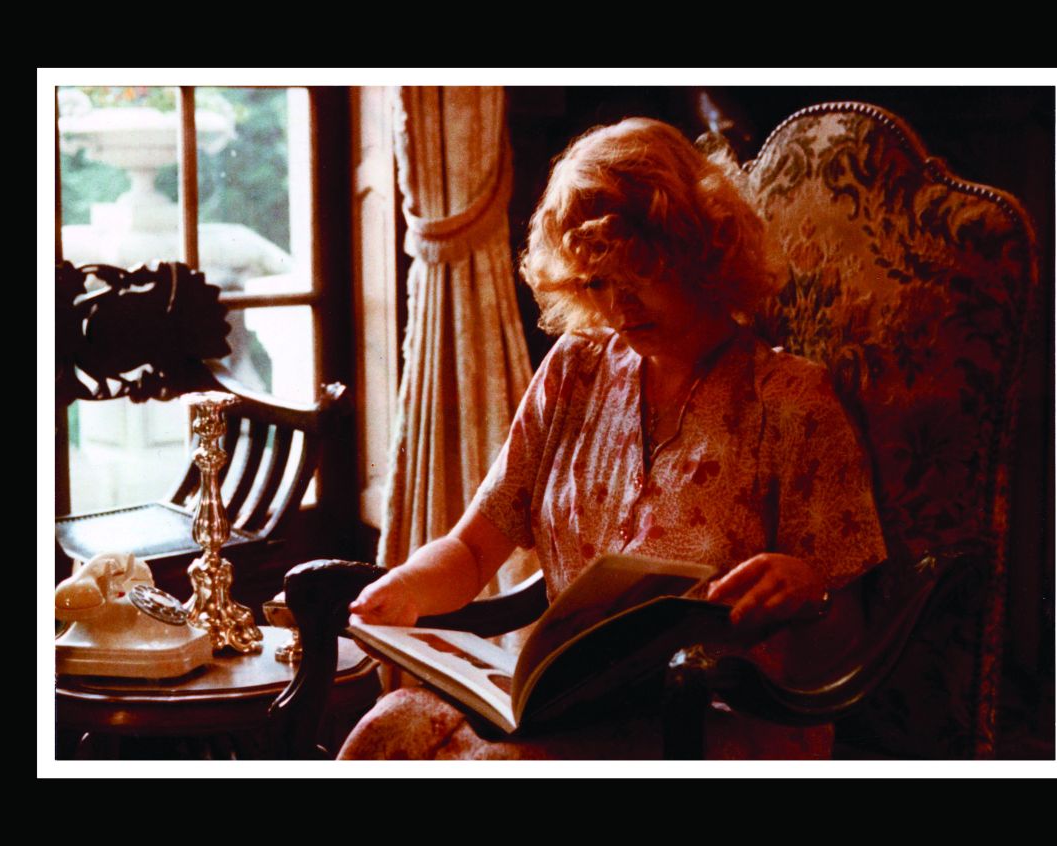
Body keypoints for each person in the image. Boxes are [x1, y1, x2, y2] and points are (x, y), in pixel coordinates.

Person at [340, 117, 886, 759]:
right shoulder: (575, 368)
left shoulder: (792, 400)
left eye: (640, 273)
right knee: (394, 722)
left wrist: (808, 589)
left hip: (719, 721)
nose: (619, 308)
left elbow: (846, 645)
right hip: (572, 709)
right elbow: (471, 548)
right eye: (597, 283)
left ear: (699, 252)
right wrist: (405, 588)